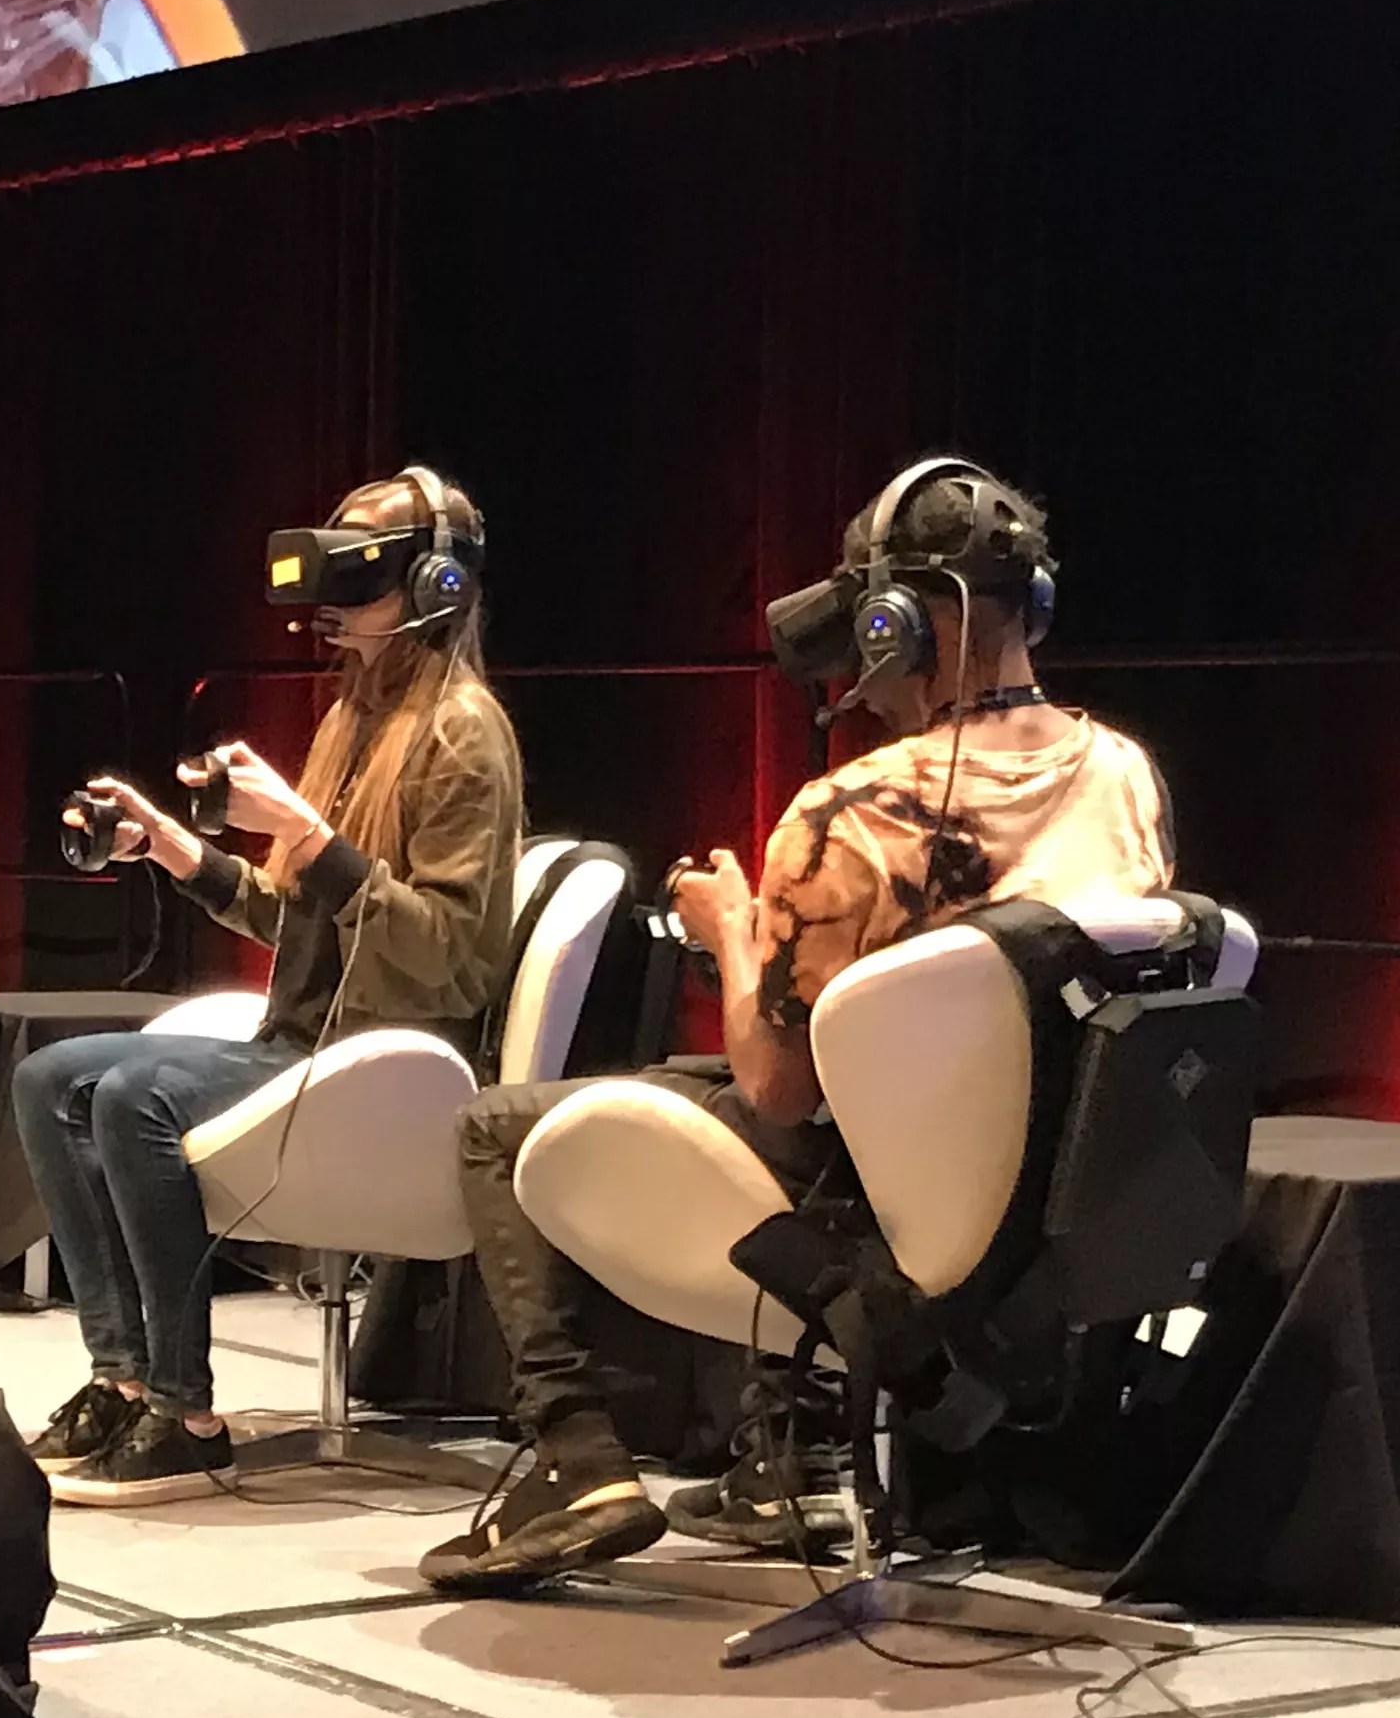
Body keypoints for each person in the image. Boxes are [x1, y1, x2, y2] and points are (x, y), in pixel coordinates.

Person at [420, 457, 1177, 1593]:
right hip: (1053, 1196)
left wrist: (732, 930)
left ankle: (577, 1461)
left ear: (892, 623)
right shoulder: (1125, 774)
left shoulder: (847, 815)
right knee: (710, 1083)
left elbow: (777, 1086)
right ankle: (791, 1462)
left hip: (870, 1199)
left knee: (495, 1126)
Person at [17, 467, 526, 1505]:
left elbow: (454, 957)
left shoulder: (464, 732)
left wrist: (307, 833)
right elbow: (293, 916)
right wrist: (173, 848)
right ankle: (122, 1376)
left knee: (134, 1095)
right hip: (298, 1045)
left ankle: (186, 1411)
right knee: (48, 1078)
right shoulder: (354, 721)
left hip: (387, 1066)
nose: (331, 602)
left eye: (360, 572)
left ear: (434, 582)